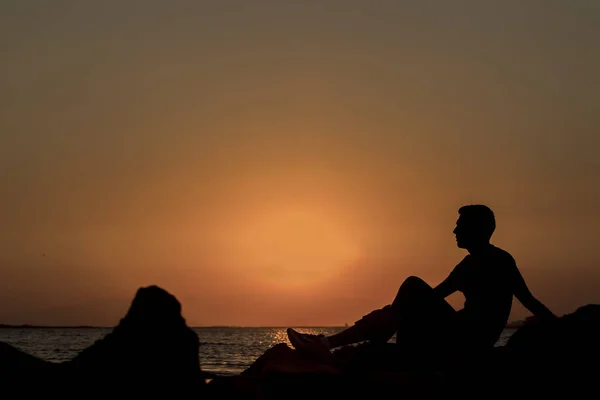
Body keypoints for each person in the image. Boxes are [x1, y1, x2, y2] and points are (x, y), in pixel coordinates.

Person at [287, 204, 556, 362]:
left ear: (477, 229)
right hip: (464, 336)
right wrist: (394, 312)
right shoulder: (483, 261)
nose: (454, 230)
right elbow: (529, 300)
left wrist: (561, 326)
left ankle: (329, 344)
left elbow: (527, 300)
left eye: (460, 225)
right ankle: (336, 342)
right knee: (408, 297)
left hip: (467, 342)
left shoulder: (493, 261)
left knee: (412, 285)